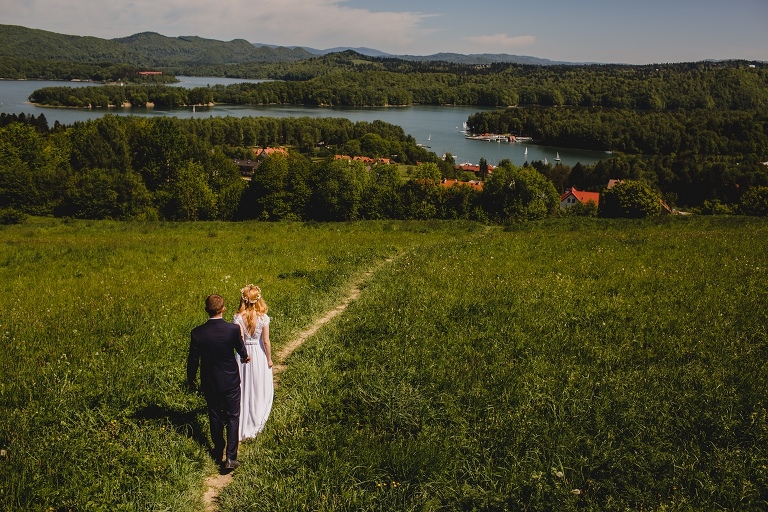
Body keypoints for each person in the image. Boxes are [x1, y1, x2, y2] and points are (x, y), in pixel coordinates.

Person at [187, 294, 251, 471]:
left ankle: (217, 450)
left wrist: (191, 379)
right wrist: (245, 357)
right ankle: (231, 457)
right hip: (230, 380)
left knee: (214, 415)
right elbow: (240, 348)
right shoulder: (232, 329)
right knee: (232, 416)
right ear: (224, 309)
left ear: (206, 310)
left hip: (210, 381)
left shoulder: (197, 333)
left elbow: (193, 360)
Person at [234, 284, 274, 440]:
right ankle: (256, 416)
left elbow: (240, 339)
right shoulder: (263, 318)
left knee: (243, 386)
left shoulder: (238, 317)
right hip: (258, 354)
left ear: (243, 299)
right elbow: (266, 341)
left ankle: (243, 417)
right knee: (258, 385)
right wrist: (269, 359)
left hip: (243, 355)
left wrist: (242, 355)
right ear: (258, 299)